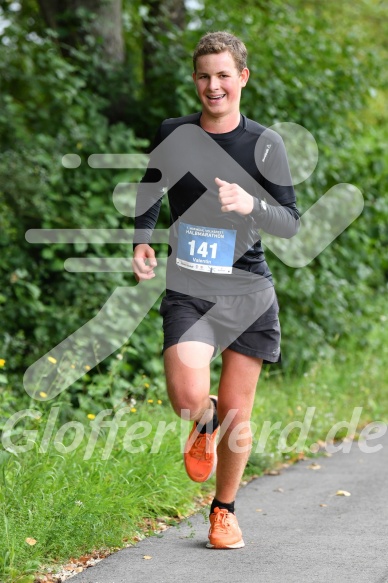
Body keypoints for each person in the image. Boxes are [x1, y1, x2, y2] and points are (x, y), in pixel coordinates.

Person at [132, 31, 300, 549]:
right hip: (190, 288)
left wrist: (251, 206)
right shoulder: (175, 133)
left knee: (237, 416)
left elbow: (291, 222)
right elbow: (150, 185)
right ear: (195, 80)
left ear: (242, 77)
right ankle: (200, 421)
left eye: (224, 74)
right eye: (204, 76)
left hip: (248, 293)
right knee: (188, 400)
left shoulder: (264, 144)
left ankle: (223, 513)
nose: (214, 85)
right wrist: (143, 237)